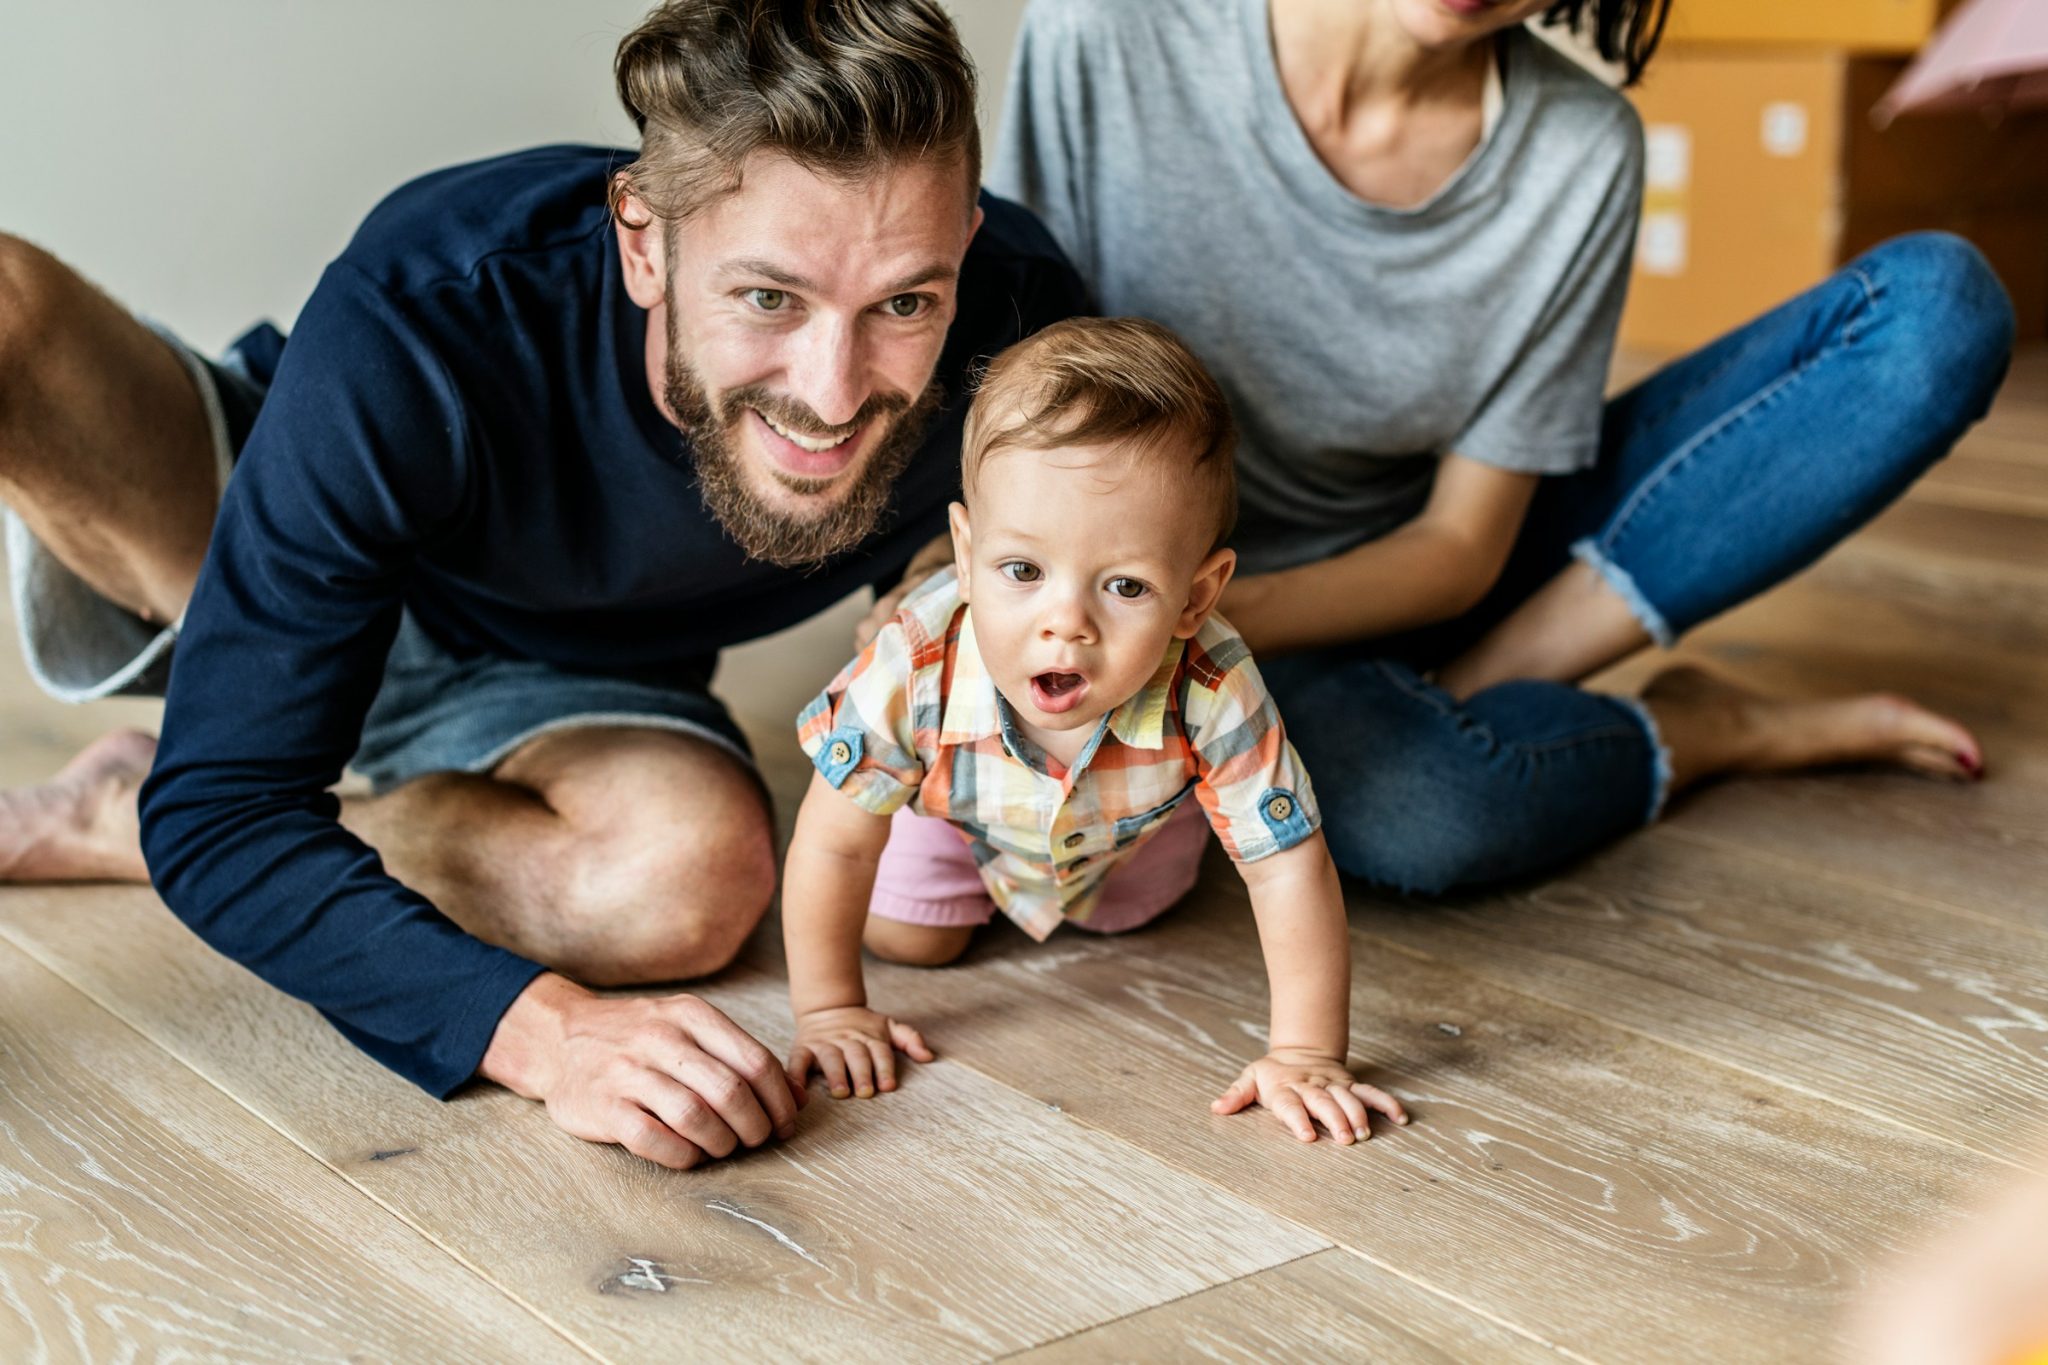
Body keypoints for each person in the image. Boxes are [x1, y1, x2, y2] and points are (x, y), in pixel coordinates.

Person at [0, 0, 1086, 1169]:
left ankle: (124, 817)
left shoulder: (1026, 339)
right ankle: (207, 767)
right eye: (767, 298)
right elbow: (225, 816)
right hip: (252, 551)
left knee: (688, 885)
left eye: (903, 304)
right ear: (640, 239)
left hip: (558, 683)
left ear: (962, 251)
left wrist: (947, 606)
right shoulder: (429, 305)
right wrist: (546, 1034)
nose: (830, 394)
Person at [991, 0, 2017, 894]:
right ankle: (1673, 732)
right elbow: (1014, 401)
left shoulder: (1580, 149)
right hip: (1132, 601)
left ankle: (1523, 697)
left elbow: (1458, 548)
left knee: (1937, 311)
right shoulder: (1106, 29)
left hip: (1358, 592)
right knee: (1431, 814)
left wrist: (1200, 623)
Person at [779, 318, 1411, 1145]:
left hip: (1127, 832)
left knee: (1132, 914)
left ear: (1196, 595)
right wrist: (830, 1008)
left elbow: (1288, 867)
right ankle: (972, 877)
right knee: (910, 936)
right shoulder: (915, 661)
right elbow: (833, 843)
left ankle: (1176, 820)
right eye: (1023, 571)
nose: (1065, 624)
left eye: (1124, 584)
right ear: (966, 556)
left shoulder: (1213, 684)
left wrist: (1306, 1053)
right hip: (957, 810)